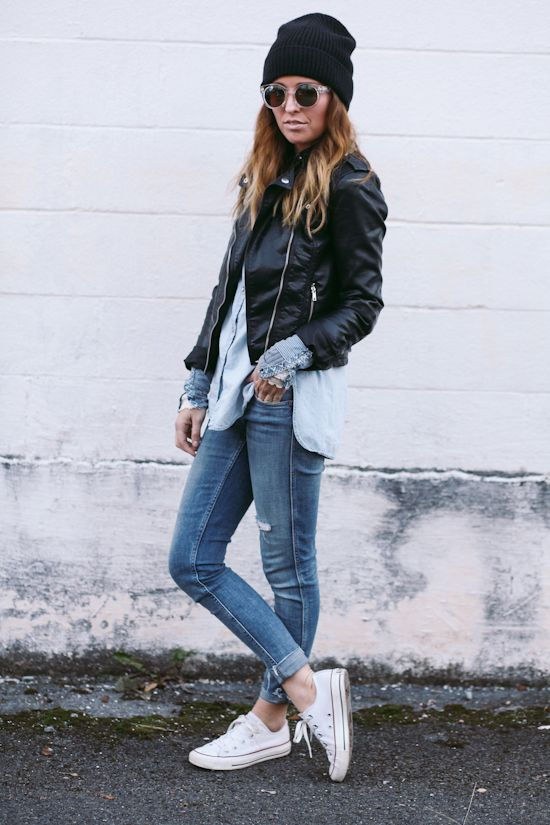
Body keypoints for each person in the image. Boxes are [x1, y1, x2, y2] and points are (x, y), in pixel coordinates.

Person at [168, 12, 388, 782]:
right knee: (192, 557)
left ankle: (268, 721)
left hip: (289, 398)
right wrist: (199, 379)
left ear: (334, 99)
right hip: (236, 394)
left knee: (287, 567)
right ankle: (306, 688)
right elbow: (228, 291)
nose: (290, 105)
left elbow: (362, 304)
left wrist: (292, 354)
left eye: (306, 91)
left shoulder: (353, 184)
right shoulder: (264, 174)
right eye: (276, 92)